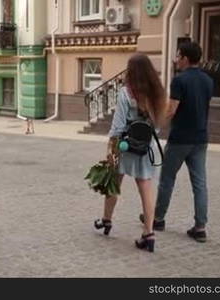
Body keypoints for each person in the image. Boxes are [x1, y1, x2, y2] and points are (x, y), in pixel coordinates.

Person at [139, 41, 213, 243]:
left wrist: (156, 124)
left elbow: (172, 109)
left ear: (186, 59)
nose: (176, 59)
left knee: (167, 180)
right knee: (200, 183)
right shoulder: (208, 80)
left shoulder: (179, 81)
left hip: (180, 139)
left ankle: (158, 219)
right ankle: (200, 227)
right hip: (201, 139)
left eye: (178, 56)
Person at [94, 53, 167, 253]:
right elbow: (157, 127)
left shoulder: (126, 93)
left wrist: (111, 149)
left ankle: (107, 220)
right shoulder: (157, 94)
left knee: (113, 184)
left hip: (126, 146)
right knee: (146, 190)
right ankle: (149, 233)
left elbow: (117, 126)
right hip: (146, 147)